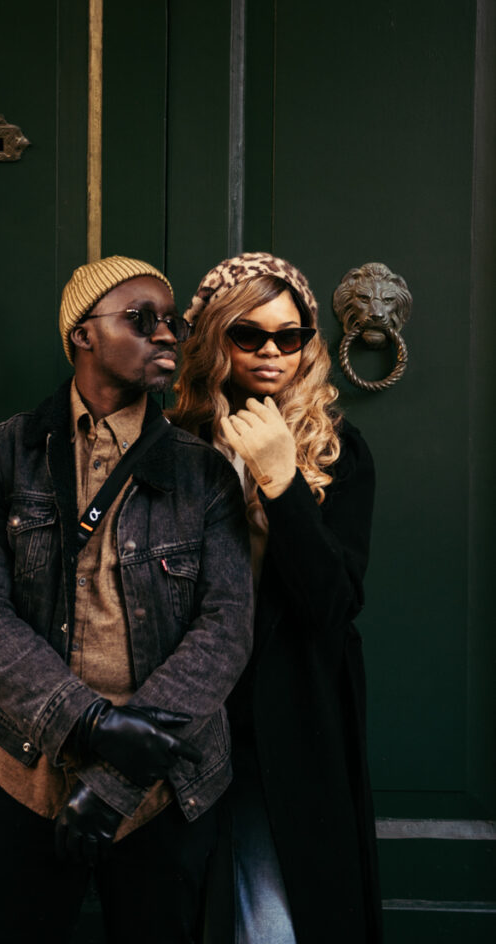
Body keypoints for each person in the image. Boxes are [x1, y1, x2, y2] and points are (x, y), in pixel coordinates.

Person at [0, 255, 253, 944]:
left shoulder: (202, 473)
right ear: (82, 335)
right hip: (29, 772)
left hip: (164, 788)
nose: (166, 335)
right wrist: (86, 722)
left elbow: (225, 629)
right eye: (140, 320)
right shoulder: (2, 455)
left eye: (169, 322)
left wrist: (115, 777)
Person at [170, 252, 383, 944]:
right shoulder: (172, 444)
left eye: (287, 337)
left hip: (291, 710)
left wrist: (281, 482)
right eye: (248, 335)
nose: (270, 352)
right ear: (212, 339)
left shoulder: (338, 448)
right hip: (184, 706)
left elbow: (331, 602)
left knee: (276, 912)